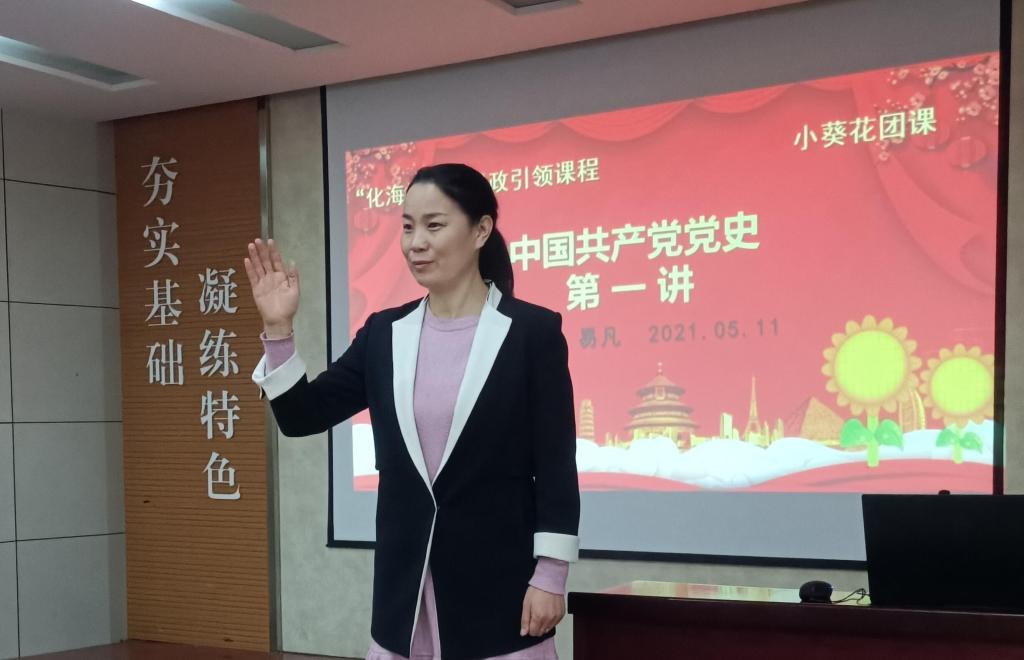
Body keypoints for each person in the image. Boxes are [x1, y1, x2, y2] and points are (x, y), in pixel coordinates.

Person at [245, 163, 581, 660]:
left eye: (434, 225)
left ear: (481, 230)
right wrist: (278, 329)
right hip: (405, 593)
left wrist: (550, 575)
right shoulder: (384, 334)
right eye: (407, 227)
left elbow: (555, 464)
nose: (415, 243)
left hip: (499, 589)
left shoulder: (532, 333)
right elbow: (301, 417)